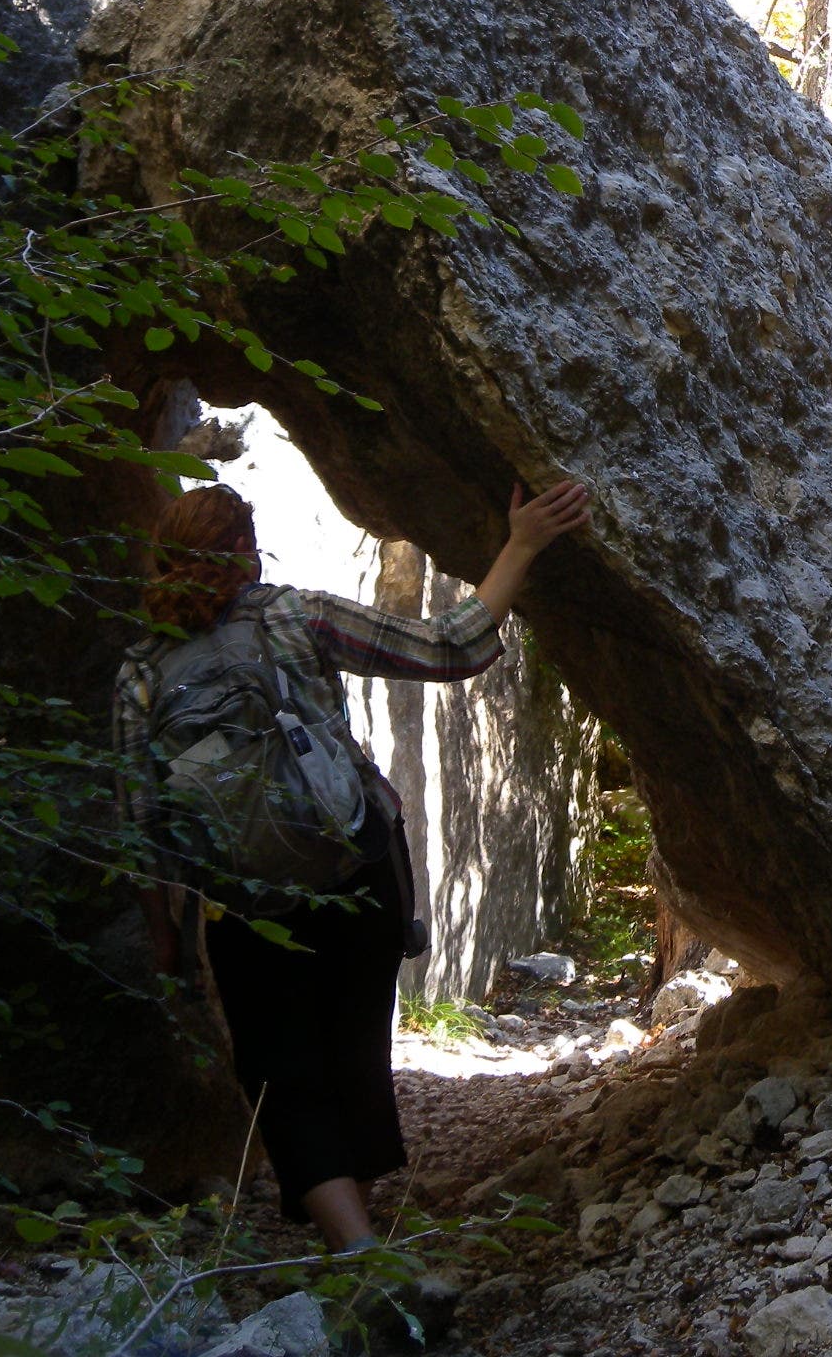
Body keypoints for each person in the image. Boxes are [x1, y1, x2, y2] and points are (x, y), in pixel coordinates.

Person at [114, 475, 590, 1252]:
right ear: (240, 552)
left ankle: (353, 1246)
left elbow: (144, 826)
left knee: (280, 1072)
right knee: (354, 1056)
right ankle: (362, 1238)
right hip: (354, 875)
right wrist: (523, 543)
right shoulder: (298, 617)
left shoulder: (138, 673)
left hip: (245, 908)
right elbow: (448, 647)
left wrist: (168, 943)